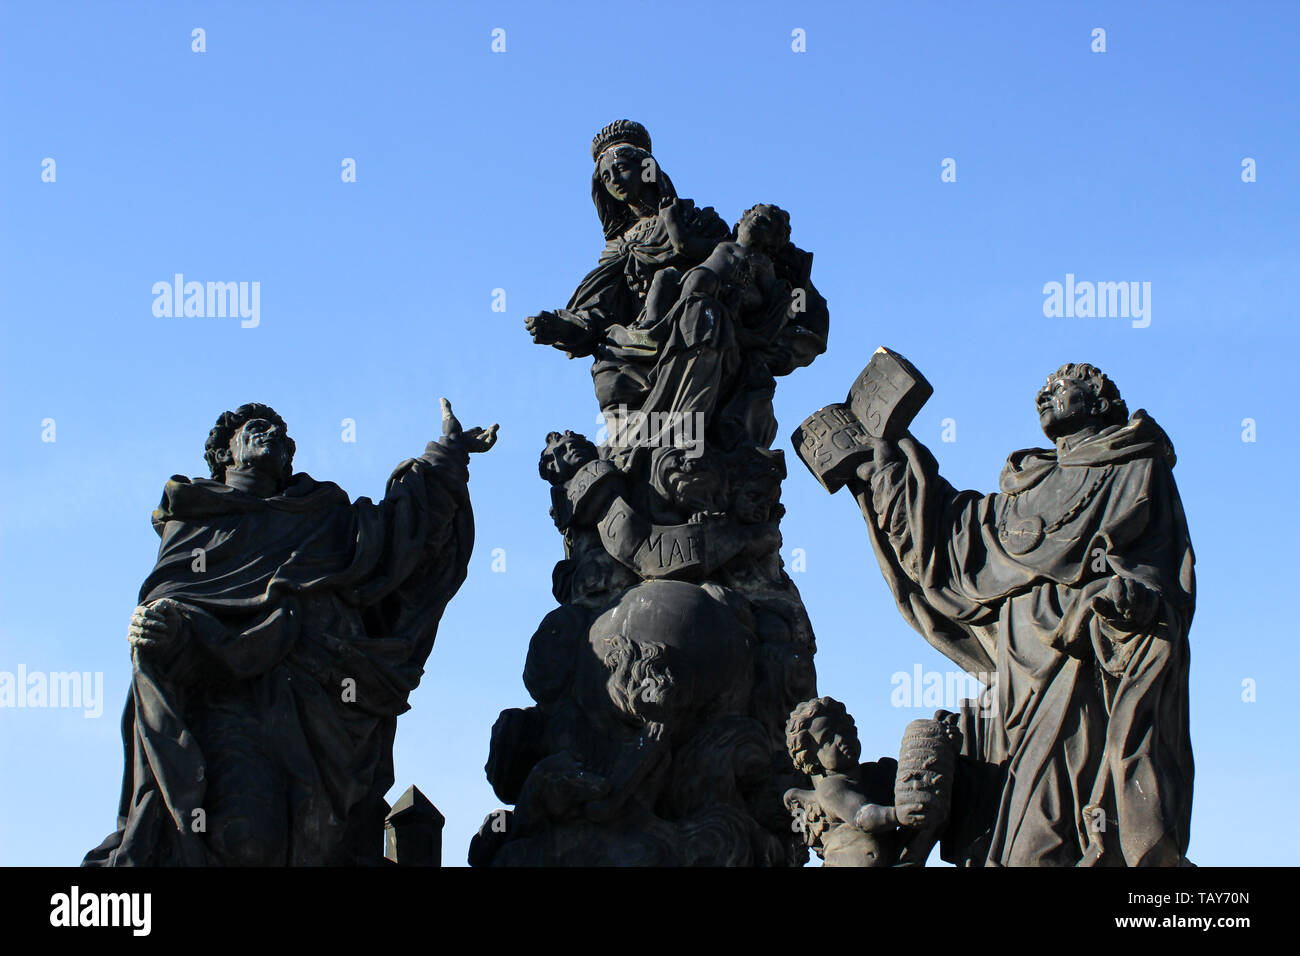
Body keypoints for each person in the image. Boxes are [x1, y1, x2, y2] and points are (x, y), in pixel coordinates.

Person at [84, 399, 496, 865]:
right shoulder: (199, 518)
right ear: (225, 452)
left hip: (325, 709)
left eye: (281, 434)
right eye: (257, 428)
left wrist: (444, 456)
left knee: (322, 840)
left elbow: (397, 539)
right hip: (230, 704)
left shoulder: (320, 512)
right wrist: (163, 625)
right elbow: (175, 601)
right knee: (247, 837)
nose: (272, 436)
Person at [848, 363, 1195, 866]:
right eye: (1041, 391)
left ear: (1098, 400)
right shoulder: (1028, 485)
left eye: (1060, 388)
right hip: (1015, 678)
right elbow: (954, 538)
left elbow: (1158, 570)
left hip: (1078, 667)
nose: (1045, 397)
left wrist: (1130, 600)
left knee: (1047, 828)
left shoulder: (1134, 468)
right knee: (1015, 820)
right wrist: (886, 465)